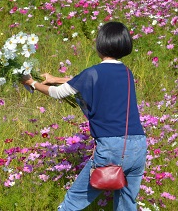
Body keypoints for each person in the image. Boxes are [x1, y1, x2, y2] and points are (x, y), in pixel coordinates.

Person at [22, 22, 146, 210]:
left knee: (72, 203)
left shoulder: (94, 72)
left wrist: (31, 83)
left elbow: (58, 93)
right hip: (138, 145)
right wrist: (55, 79)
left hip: (112, 147)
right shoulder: (126, 72)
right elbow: (87, 80)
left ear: (100, 44)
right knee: (126, 204)